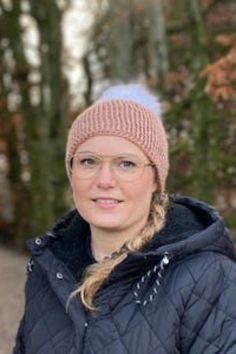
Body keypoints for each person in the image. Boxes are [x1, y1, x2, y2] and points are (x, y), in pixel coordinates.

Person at [13, 83, 236, 354]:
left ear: (156, 179)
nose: (105, 180)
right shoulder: (47, 269)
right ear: (71, 172)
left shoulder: (208, 277)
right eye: (89, 161)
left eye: (126, 163)